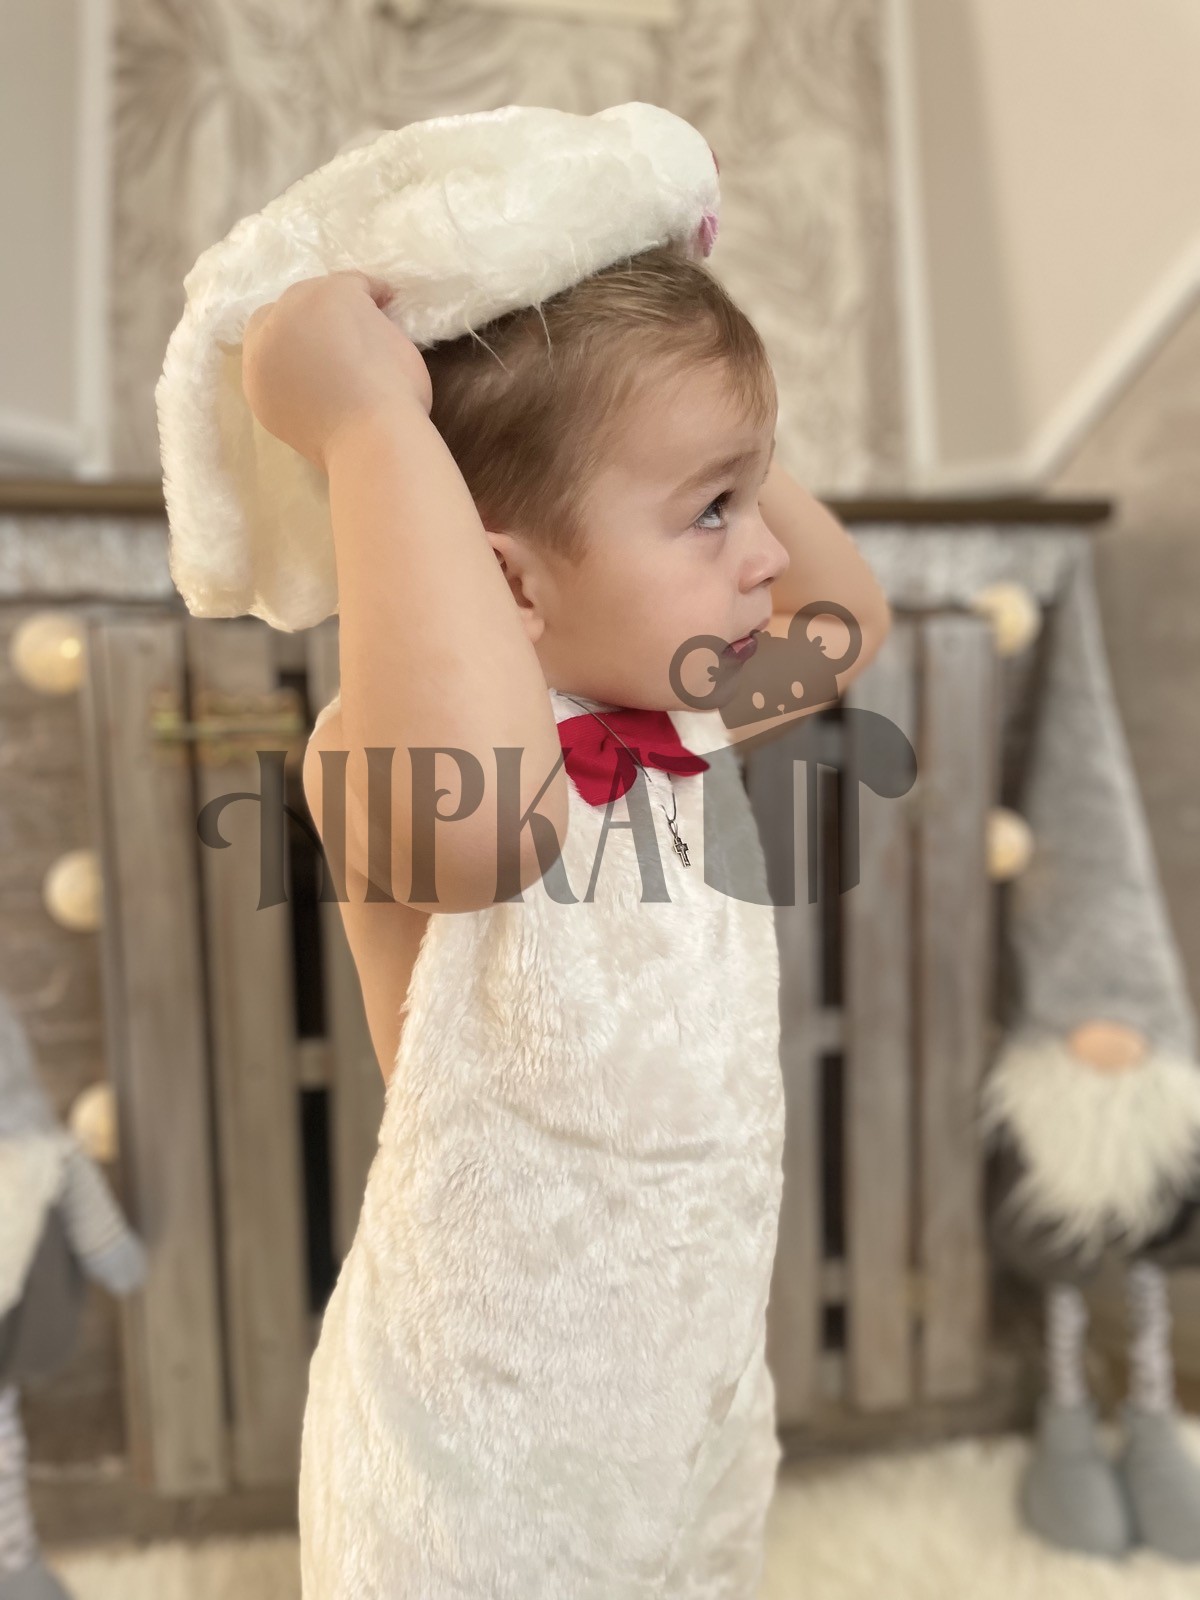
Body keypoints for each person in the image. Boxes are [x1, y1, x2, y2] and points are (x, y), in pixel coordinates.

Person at [240, 243, 890, 1597]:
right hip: (479, 1458)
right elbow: (489, 827)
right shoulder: (394, 753)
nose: (767, 552)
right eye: (712, 512)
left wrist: (718, 428)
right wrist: (368, 425)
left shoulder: (680, 710)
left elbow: (843, 625)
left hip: (683, 1396)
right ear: (513, 587)